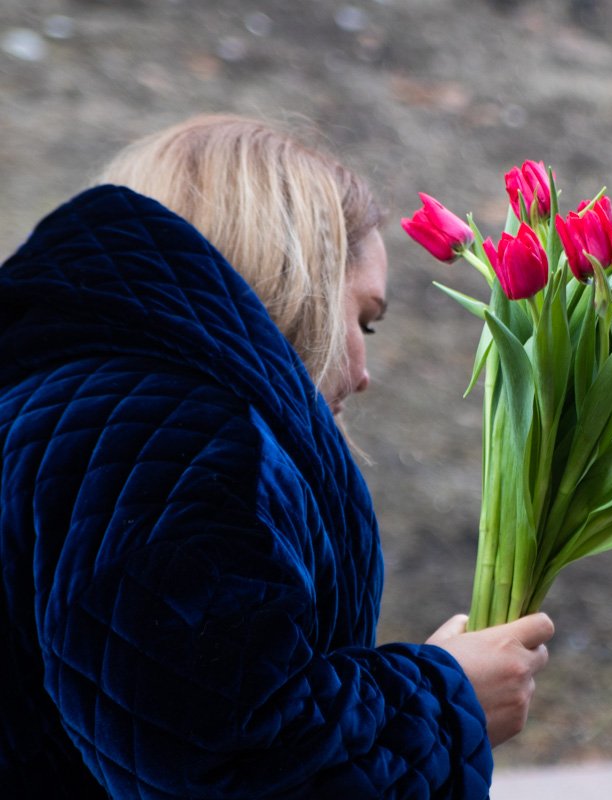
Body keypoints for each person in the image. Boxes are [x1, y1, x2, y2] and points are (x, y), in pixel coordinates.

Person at [0, 114, 555, 798]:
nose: (364, 373)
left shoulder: (51, 407)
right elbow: (229, 760)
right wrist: (447, 701)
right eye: (364, 320)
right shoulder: (181, 441)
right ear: (300, 286)